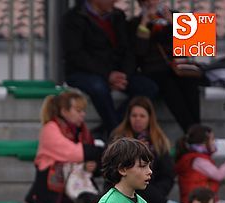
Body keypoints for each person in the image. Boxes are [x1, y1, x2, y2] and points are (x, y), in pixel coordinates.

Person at [62, 0, 158, 138]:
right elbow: (76, 55)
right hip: (90, 72)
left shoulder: (177, 17)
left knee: (153, 86)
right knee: (98, 86)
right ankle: (117, 132)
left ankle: (110, 130)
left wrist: (123, 74)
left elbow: (128, 51)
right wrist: (108, 75)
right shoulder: (74, 18)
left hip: (178, 74)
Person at [27, 91, 102, 203]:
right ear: (64, 111)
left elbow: (93, 158)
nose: (83, 114)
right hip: (54, 192)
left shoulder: (82, 131)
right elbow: (73, 153)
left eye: (83, 111)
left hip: (77, 182)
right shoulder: (50, 128)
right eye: (78, 110)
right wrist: (101, 151)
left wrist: (93, 166)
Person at [128, 0, 200, 132]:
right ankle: (193, 132)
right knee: (170, 88)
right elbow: (139, 52)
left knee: (190, 83)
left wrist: (173, 23)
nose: (152, 3)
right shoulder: (135, 23)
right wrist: (144, 24)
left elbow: (194, 46)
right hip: (154, 70)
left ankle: (198, 130)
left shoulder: (177, 17)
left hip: (179, 68)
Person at [111, 96, 176, 203]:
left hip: (153, 198)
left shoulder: (159, 141)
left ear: (149, 118)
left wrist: (156, 193)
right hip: (123, 194)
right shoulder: (117, 140)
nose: (137, 120)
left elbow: (167, 175)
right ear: (128, 117)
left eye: (142, 116)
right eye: (134, 115)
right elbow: (113, 171)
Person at [175, 125, 225, 203]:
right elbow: (218, 175)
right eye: (212, 139)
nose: (215, 142)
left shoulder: (193, 157)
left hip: (200, 199)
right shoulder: (198, 160)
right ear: (204, 142)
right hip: (200, 201)